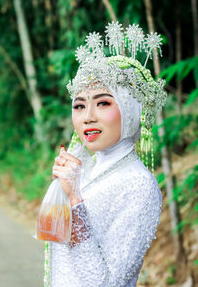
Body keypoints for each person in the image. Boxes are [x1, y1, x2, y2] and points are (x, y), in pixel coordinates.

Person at [44, 22, 167, 287]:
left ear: (131, 110)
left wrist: (75, 199)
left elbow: (107, 283)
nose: (88, 117)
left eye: (103, 103)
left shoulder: (138, 185)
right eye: (79, 105)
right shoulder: (85, 168)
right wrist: (62, 191)